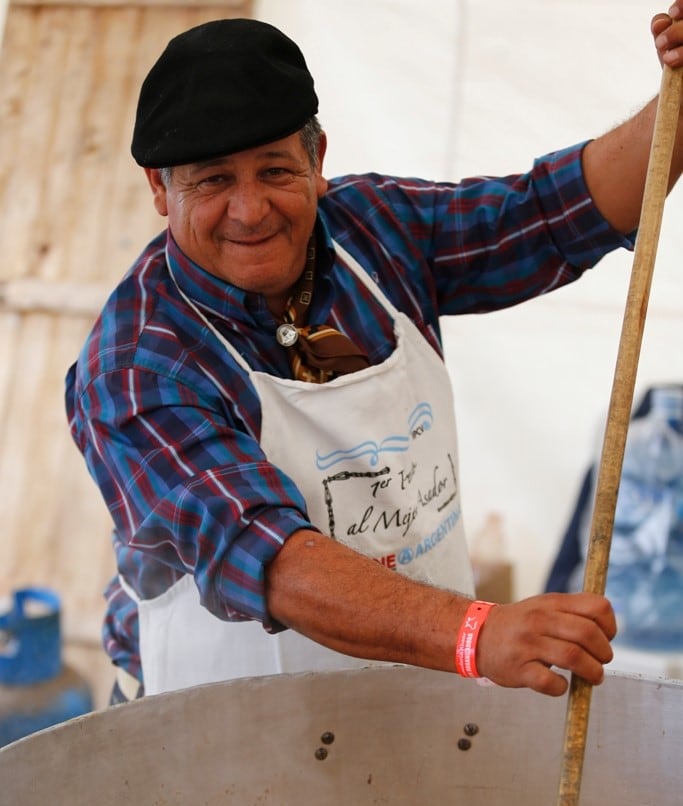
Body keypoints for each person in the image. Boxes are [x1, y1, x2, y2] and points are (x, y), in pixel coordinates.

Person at [65, 11, 683, 704]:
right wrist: (480, 633)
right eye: (212, 182)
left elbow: (552, 213)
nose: (249, 210)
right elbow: (269, 559)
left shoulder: (376, 231)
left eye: (274, 170)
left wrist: (679, 96)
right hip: (225, 736)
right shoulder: (139, 364)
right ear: (159, 187)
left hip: (420, 696)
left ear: (317, 160)